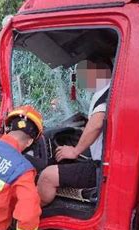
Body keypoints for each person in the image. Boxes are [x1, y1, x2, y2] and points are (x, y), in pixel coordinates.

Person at [37, 59, 112, 206]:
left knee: (47, 176)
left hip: (99, 168)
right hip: (107, 164)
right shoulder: (112, 89)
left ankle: (32, 222)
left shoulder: (106, 94)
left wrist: (75, 151)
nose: (80, 81)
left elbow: (97, 123)